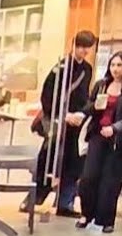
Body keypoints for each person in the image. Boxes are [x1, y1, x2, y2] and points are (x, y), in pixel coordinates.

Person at [25, 30, 96, 216]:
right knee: (48, 161)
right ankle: (32, 199)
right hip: (59, 122)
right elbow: (47, 96)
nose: (82, 51)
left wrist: (81, 114)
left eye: (86, 48)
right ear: (74, 45)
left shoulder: (87, 69)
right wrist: (62, 115)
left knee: (74, 163)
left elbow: (85, 97)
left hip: (76, 124)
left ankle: (66, 203)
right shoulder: (61, 67)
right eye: (80, 46)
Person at [76, 51, 122, 234]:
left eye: (119, 65)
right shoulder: (101, 85)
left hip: (116, 140)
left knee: (110, 181)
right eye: (113, 65)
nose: (116, 69)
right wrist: (90, 109)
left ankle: (106, 220)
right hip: (97, 136)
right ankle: (86, 214)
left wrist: (115, 128)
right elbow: (88, 106)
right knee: (88, 177)